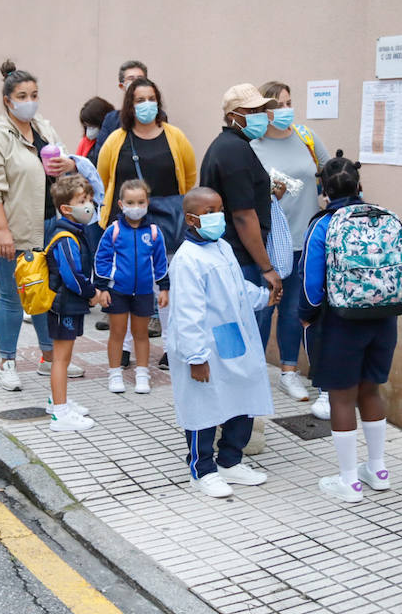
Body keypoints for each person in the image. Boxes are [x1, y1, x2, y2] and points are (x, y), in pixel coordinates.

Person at [297, 154, 402, 503]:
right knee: (370, 391)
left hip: (341, 321)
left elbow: (312, 283)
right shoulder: (385, 218)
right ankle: (378, 469)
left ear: (324, 190)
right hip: (385, 318)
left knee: (342, 397)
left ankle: (349, 481)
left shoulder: (324, 223)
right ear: (359, 186)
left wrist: (306, 316)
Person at [0, 60, 84, 392]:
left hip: (48, 226)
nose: (29, 100)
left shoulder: (43, 128)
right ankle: (7, 362)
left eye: (34, 94)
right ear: (8, 99)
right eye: (22, 95)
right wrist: (3, 231)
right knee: (11, 297)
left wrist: (68, 163)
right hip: (12, 230)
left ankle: (48, 357)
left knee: (44, 294)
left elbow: (63, 161)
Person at [163, 187, 272, 498]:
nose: (217, 217)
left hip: (232, 339)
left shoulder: (222, 247)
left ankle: (230, 460)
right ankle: (202, 470)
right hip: (204, 347)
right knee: (204, 406)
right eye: (209, 212)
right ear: (191, 219)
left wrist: (264, 297)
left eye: (219, 209)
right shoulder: (187, 259)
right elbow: (187, 313)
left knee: (242, 396)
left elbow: (238, 289)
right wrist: (196, 356)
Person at [95, 76, 195, 349]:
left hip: (167, 224)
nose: (147, 104)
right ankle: (125, 347)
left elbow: (188, 175)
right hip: (126, 225)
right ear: (130, 105)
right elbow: (105, 177)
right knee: (125, 288)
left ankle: (171, 348)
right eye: (140, 100)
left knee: (167, 289)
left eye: (151, 99)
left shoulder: (175, 136)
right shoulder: (117, 139)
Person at [252, 81, 332, 411]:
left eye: (289, 102)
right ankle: (253, 372)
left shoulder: (305, 136)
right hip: (268, 242)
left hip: (305, 239)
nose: (285, 110)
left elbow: (330, 170)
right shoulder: (253, 144)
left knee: (294, 310)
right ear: (263, 111)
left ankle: (288, 370)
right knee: (261, 308)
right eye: (278, 105)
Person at [199, 83, 282, 303]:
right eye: (252, 111)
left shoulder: (231, 146)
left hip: (236, 256)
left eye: (262, 111)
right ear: (232, 116)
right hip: (240, 260)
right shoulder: (234, 150)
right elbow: (243, 215)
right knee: (248, 332)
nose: (260, 116)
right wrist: (266, 268)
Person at [43, 174, 107, 432]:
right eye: (83, 200)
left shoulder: (71, 232)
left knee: (64, 357)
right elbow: (72, 276)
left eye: (90, 199)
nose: (89, 205)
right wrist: (92, 294)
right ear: (66, 208)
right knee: (61, 358)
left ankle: (56, 400)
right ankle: (59, 414)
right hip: (64, 304)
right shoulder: (66, 237)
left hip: (66, 304)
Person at [94, 179, 169, 394]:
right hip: (117, 291)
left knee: (141, 334)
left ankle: (142, 374)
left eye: (140, 202)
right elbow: (102, 259)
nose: (136, 207)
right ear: (120, 204)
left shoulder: (154, 232)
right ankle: (115, 373)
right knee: (117, 333)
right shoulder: (113, 230)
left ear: (147, 203)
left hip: (144, 292)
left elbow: (160, 261)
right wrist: (102, 288)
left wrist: (164, 287)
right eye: (130, 202)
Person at [88, 60, 147, 164]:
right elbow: (100, 157)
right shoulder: (111, 119)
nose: (136, 83)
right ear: (122, 86)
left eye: (140, 79)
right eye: (131, 79)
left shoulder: (157, 115)